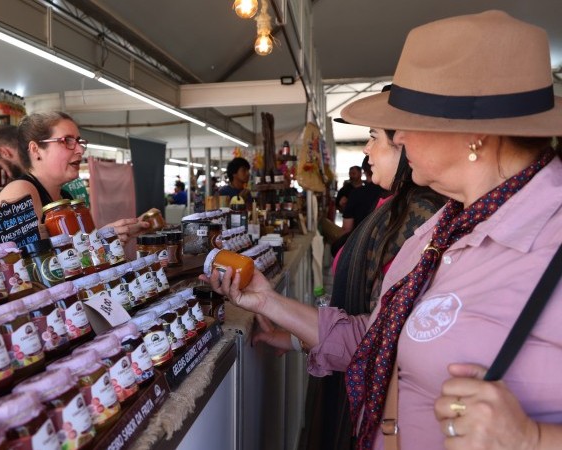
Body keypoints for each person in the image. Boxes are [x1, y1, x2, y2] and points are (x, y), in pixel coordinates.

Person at [205, 10, 562, 450]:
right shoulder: (443, 228)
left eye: (408, 121)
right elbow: (374, 339)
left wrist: (533, 439)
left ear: (473, 135)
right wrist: (267, 301)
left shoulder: (547, 237)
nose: (402, 139)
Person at [258, 118, 445, 450]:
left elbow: (381, 337)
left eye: (374, 138)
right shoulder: (395, 206)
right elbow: (373, 329)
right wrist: (294, 333)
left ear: (405, 144)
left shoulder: (424, 218)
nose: (366, 150)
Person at [0, 112, 148, 243]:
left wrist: (117, 234)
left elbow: (80, 254)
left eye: (79, 141)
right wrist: (100, 238)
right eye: (67, 141)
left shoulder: (65, 196)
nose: (80, 150)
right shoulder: (21, 191)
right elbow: (18, 266)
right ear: (36, 150)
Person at [341, 156, 384, 234]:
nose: (351, 176)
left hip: (360, 239)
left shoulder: (356, 194)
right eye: (350, 173)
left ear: (363, 172)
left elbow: (347, 228)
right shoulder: (392, 192)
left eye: (354, 173)